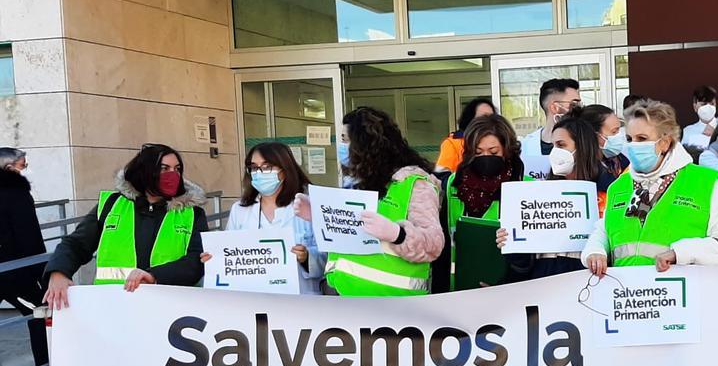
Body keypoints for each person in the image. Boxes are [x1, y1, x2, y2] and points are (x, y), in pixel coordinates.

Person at [583, 100, 718, 273]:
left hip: (680, 293)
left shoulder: (702, 182)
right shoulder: (619, 185)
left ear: (665, 142)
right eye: (629, 138)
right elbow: (604, 231)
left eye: (642, 138)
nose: (633, 145)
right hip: (625, 293)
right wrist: (595, 251)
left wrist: (680, 253)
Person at [43, 143, 208, 309]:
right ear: (145, 171)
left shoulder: (192, 213)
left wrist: (154, 276)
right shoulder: (112, 205)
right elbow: (76, 244)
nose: (172, 175)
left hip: (169, 309)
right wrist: (59, 272)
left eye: (177, 169)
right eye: (164, 168)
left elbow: (196, 261)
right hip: (115, 308)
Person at [301, 107, 443, 297]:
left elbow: (433, 244)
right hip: (341, 297)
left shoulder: (415, 184)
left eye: (345, 139)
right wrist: (319, 215)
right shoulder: (353, 183)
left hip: (395, 308)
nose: (341, 147)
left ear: (365, 144)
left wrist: (397, 234)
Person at [498, 109, 617, 279]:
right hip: (544, 287)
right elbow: (523, 265)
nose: (554, 152)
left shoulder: (610, 192)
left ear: (582, 146)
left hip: (590, 285)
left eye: (561, 145)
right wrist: (511, 242)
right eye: (553, 146)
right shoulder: (540, 193)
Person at [216, 142, 324, 294]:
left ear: (284, 170)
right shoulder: (240, 210)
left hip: (300, 301)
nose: (259, 173)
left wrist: (306, 258)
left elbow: (329, 259)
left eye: (267, 167)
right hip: (254, 298)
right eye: (254, 168)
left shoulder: (308, 205)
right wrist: (214, 258)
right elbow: (228, 254)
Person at [434, 114, 526, 291]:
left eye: (493, 152)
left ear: (507, 150)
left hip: (509, 292)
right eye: (478, 152)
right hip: (456, 291)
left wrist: (505, 284)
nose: (485, 157)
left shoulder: (525, 186)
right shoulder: (454, 184)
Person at [0, 148, 50, 366]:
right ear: (9, 168)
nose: (26, 170)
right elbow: (29, 236)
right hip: (14, 271)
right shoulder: (16, 194)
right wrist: (42, 273)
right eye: (23, 165)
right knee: (40, 312)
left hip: (9, 269)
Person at [520, 79, 580, 181]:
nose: (579, 109)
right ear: (555, 107)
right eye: (573, 105)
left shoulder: (584, 142)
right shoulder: (524, 147)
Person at [435, 97, 496, 174]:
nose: (488, 121)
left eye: (492, 117)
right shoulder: (453, 144)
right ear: (470, 120)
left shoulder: (500, 142)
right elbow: (441, 176)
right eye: (483, 117)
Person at [578, 104, 629, 177]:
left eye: (619, 129)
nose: (620, 135)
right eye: (614, 132)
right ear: (595, 135)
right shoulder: (583, 170)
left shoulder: (621, 161)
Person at [681, 85, 718, 152]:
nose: (708, 107)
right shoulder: (688, 131)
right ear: (695, 107)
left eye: (712, 104)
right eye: (703, 104)